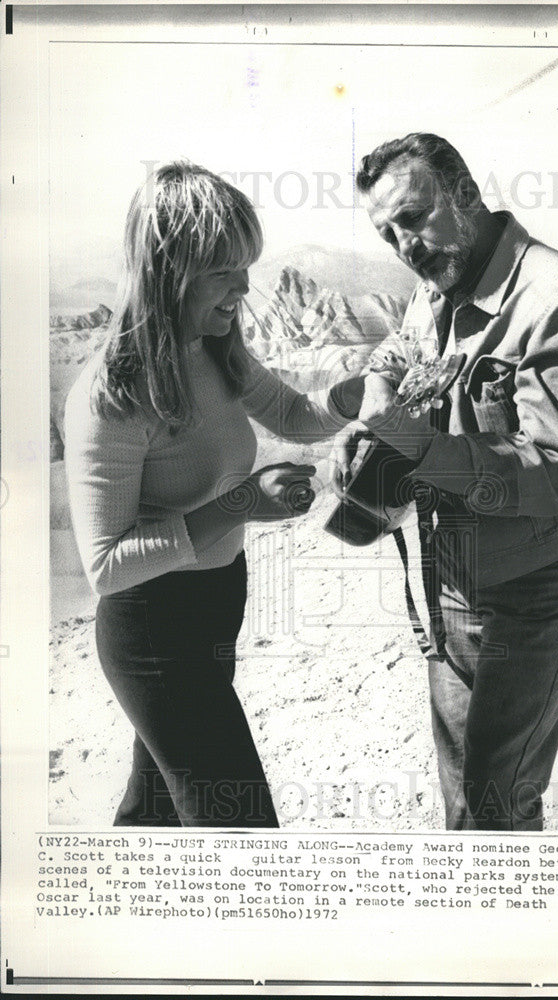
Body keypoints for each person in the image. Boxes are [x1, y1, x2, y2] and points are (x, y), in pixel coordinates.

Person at [64, 161, 352, 828]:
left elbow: (297, 417)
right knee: (242, 830)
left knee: (156, 816)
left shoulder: (216, 348)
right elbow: (105, 566)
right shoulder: (111, 395)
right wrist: (242, 505)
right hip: (152, 633)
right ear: (169, 269)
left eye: (246, 265)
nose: (244, 287)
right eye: (223, 269)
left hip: (213, 615)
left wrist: (355, 396)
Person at [332, 133, 558, 831]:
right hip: (449, 590)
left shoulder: (557, 297)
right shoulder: (437, 282)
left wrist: (416, 447)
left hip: (532, 600)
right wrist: (376, 404)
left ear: (467, 195)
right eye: (389, 234)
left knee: (497, 805)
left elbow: (557, 474)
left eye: (414, 218)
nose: (406, 247)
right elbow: (399, 348)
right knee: (463, 804)